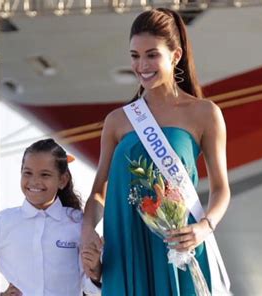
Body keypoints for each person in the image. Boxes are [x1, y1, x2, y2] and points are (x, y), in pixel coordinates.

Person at [81, 8, 231, 295]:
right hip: (125, 248)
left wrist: (203, 228)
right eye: (135, 56)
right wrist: (88, 233)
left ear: (175, 56)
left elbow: (221, 190)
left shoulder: (205, 114)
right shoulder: (117, 120)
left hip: (179, 246)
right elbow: (99, 191)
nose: (142, 65)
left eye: (152, 55)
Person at [0, 138, 102, 296]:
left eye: (45, 175)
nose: (34, 181)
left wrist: (97, 273)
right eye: (27, 173)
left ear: (62, 180)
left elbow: (90, 288)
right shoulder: (6, 222)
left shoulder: (78, 223)